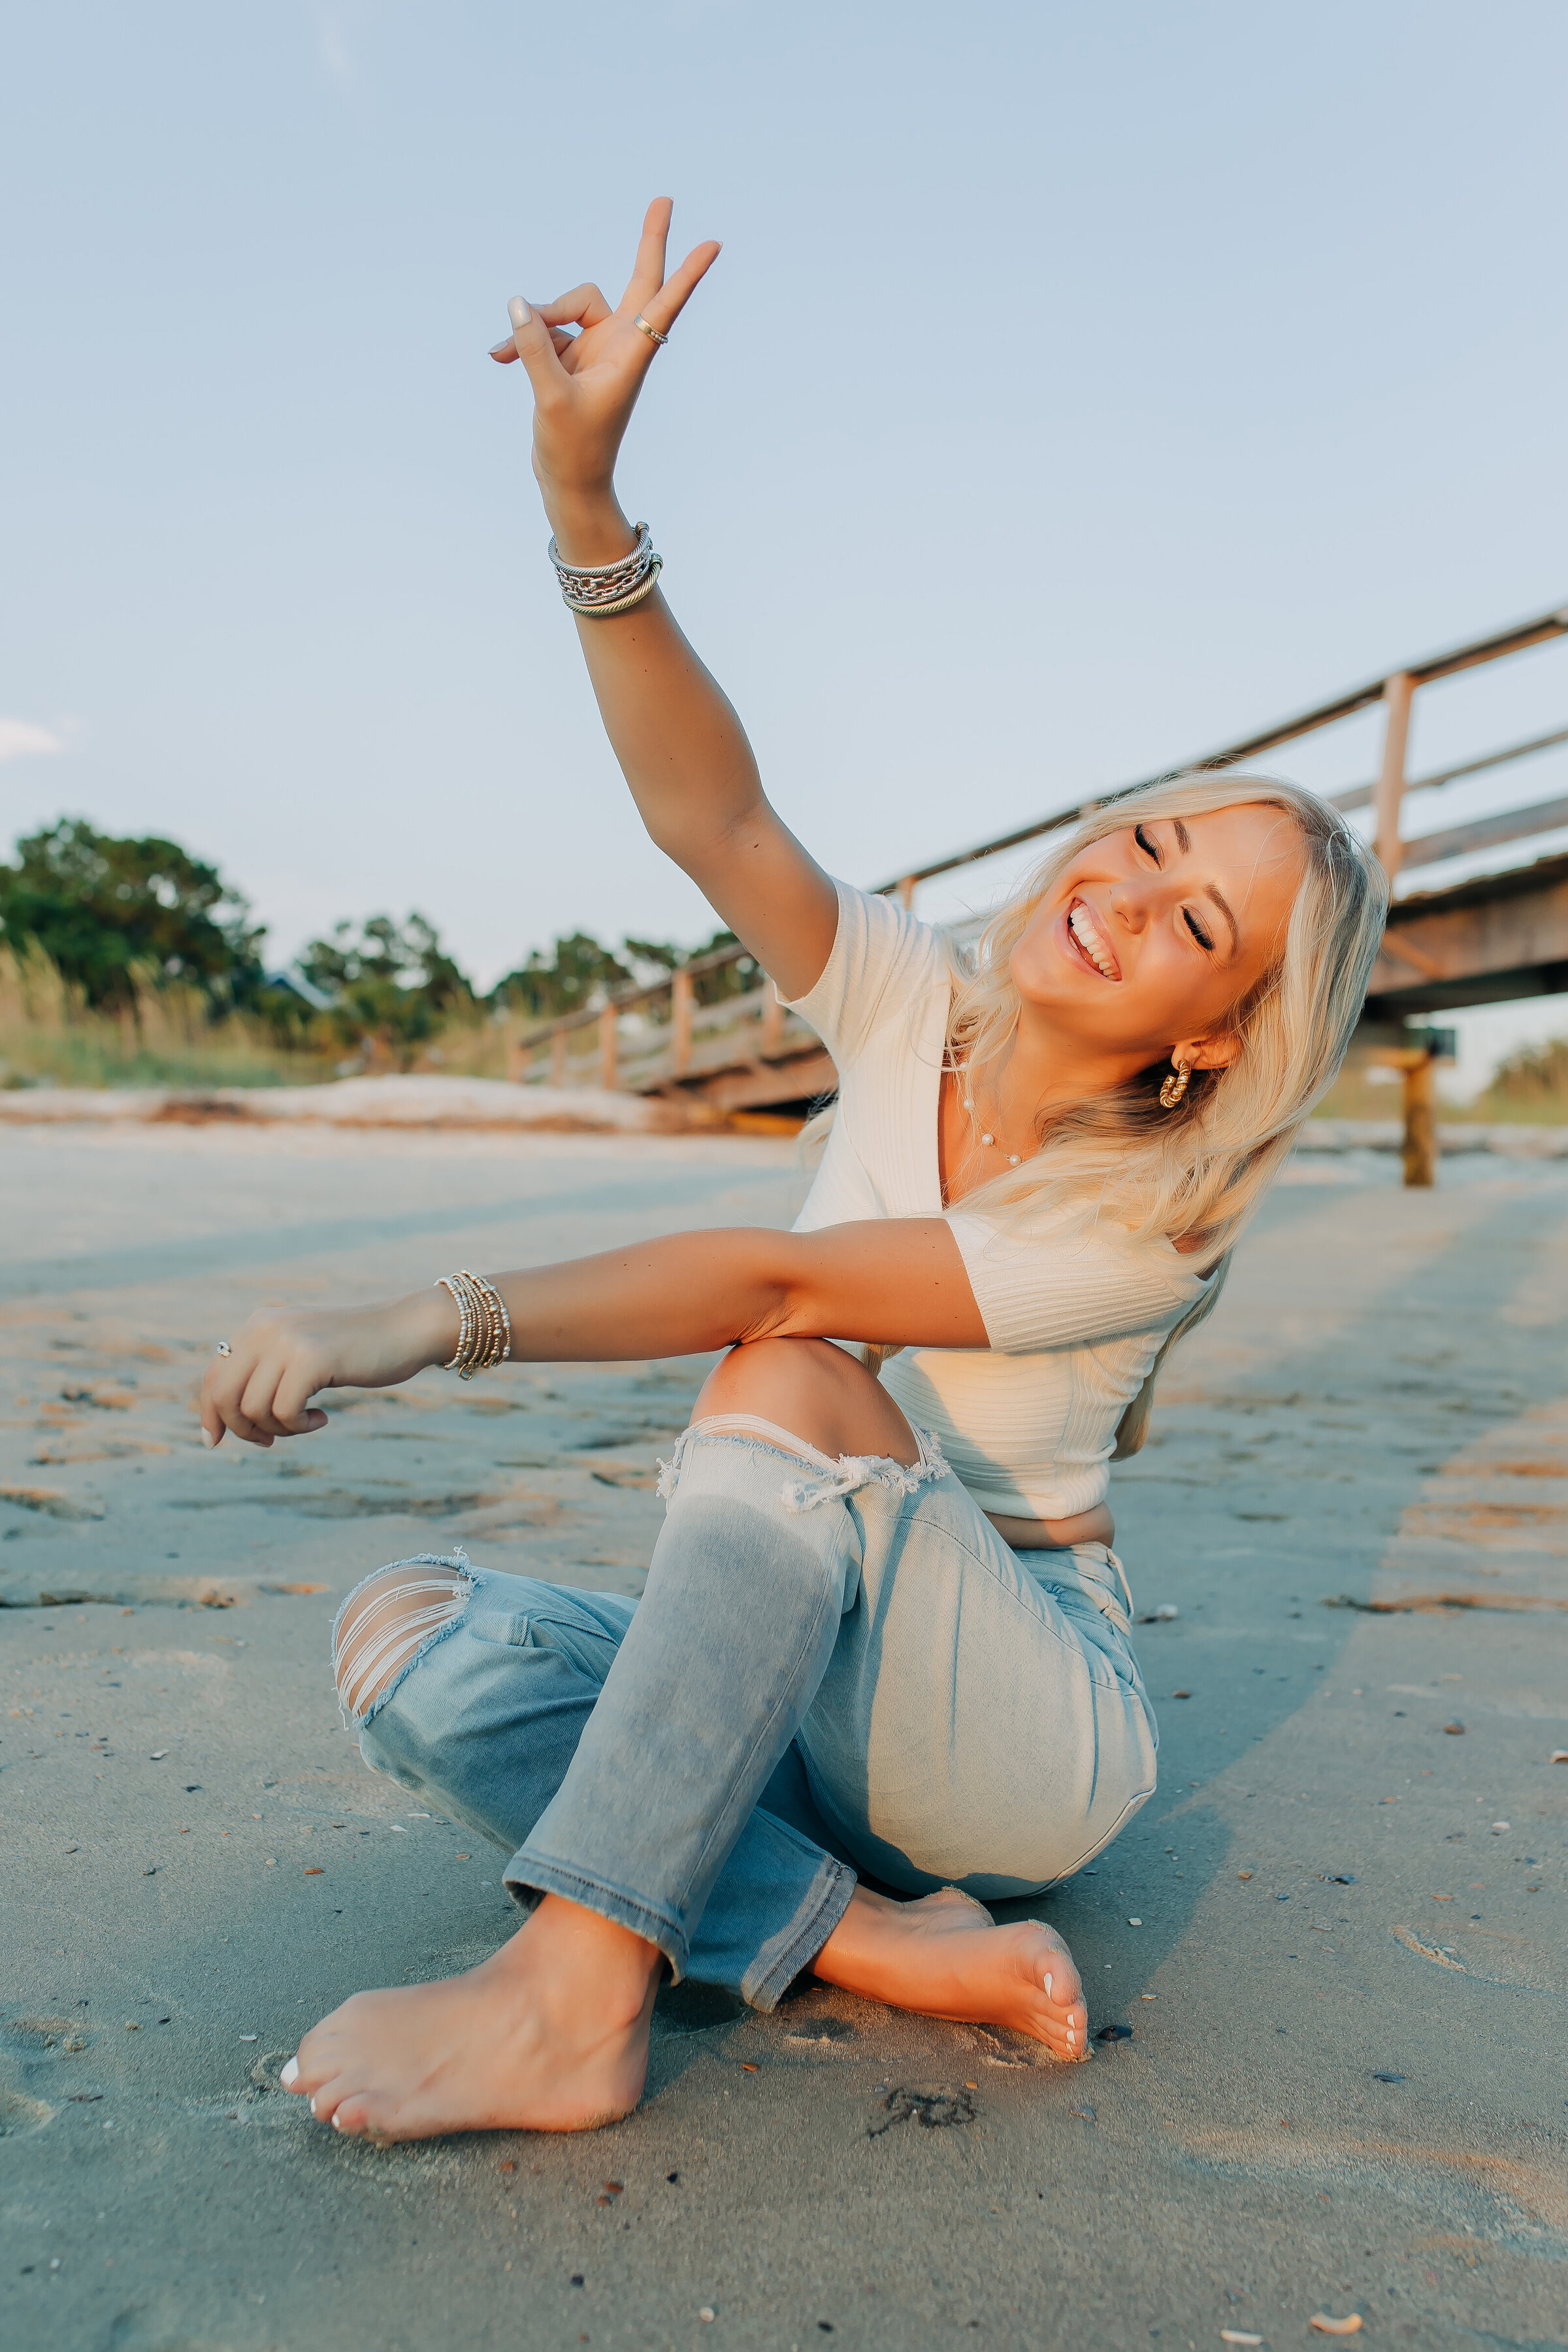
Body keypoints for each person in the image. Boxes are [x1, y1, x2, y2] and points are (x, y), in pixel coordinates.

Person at [199, 201, 1386, 2144]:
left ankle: (576, 1999)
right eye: (1150, 839)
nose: (1128, 888)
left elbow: (782, 1299)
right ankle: (864, 1940)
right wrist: (587, 497)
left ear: (1212, 1037)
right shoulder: (913, 999)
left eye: (1196, 923)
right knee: (410, 1634)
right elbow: (713, 810)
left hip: (1014, 1727)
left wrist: (425, 1322)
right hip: (807, 1682)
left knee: (791, 1373)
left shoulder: (1145, 1226)